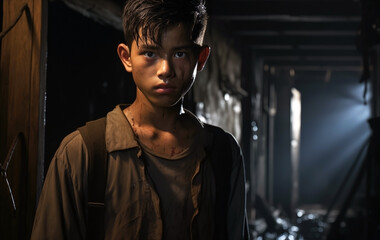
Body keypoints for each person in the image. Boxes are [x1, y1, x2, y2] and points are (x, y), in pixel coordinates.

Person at [31, 0, 249, 239]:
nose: (165, 69)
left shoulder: (223, 153)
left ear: (201, 59)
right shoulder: (81, 153)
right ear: (126, 57)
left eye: (179, 53)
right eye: (149, 53)